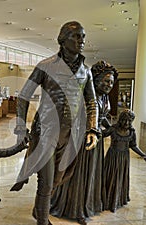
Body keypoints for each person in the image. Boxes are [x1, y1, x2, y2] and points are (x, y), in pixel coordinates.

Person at [10, 21, 100, 225]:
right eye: (76, 36)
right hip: (46, 132)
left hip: (71, 135)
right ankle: (42, 220)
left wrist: (92, 128)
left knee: (57, 180)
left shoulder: (86, 71)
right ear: (62, 40)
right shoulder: (45, 66)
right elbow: (23, 96)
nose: (81, 41)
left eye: (83, 37)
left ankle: (38, 209)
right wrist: (20, 126)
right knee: (46, 181)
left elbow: (91, 102)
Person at [50, 61, 118, 224]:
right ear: (96, 80)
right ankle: (76, 208)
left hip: (96, 141)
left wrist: (112, 129)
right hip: (80, 140)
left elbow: (102, 119)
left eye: (111, 82)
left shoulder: (104, 98)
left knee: (91, 173)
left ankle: (89, 204)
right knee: (78, 174)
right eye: (106, 81)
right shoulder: (84, 97)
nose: (109, 85)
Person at [102, 109, 146, 212]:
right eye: (124, 120)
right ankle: (107, 201)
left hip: (124, 158)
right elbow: (102, 134)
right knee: (110, 177)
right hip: (112, 157)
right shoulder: (113, 129)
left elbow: (133, 146)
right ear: (120, 120)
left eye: (129, 121)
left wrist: (144, 155)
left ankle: (117, 200)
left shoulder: (131, 132)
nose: (127, 123)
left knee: (120, 178)